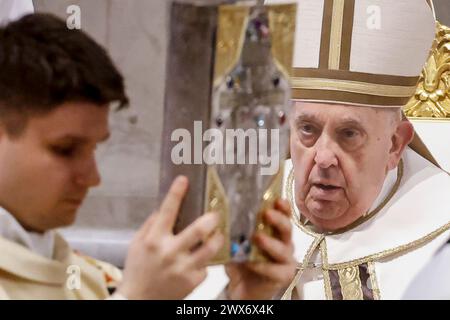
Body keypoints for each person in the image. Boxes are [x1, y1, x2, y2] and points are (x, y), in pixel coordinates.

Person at [0, 12, 224, 300]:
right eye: (66, 149)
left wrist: (243, 299)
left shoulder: (84, 276)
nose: (92, 178)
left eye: (94, 148)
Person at [269, 0, 450, 300]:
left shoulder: (441, 246)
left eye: (348, 134)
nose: (324, 157)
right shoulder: (245, 216)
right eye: (308, 130)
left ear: (395, 144)